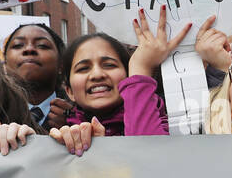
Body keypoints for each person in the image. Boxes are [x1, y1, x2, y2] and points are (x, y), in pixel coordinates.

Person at [50, 9, 187, 154]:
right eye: (83, 68)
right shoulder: (59, 141)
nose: (97, 74)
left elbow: (149, 156)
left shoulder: (170, 125)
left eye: (109, 65)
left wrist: (141, 68)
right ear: (69, 91)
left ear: (130, 77)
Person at [3, 23, 72, 131]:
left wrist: (73, 124)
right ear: (5, 65)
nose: (29, 49)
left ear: (61, 64)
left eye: (42, 45)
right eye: (18, 45)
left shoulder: (82, 116)